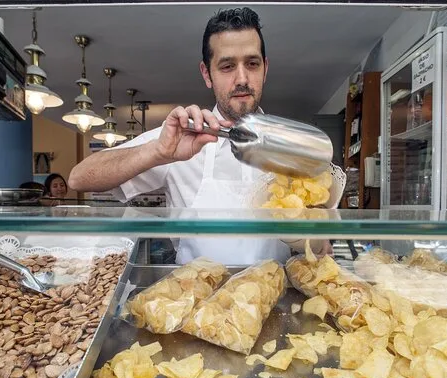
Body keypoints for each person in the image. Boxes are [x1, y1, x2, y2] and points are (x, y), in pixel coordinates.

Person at [69, 7, 339, 264]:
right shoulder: (177, 137)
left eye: (252, 63)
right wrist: (157, 151)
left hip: (272, 294)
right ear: (207, 74)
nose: (242, 78)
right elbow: (79, 178)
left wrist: (314, 243)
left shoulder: (292, 147)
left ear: (265, 69)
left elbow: (321, 244)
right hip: (194, 293)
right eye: (227, 66)